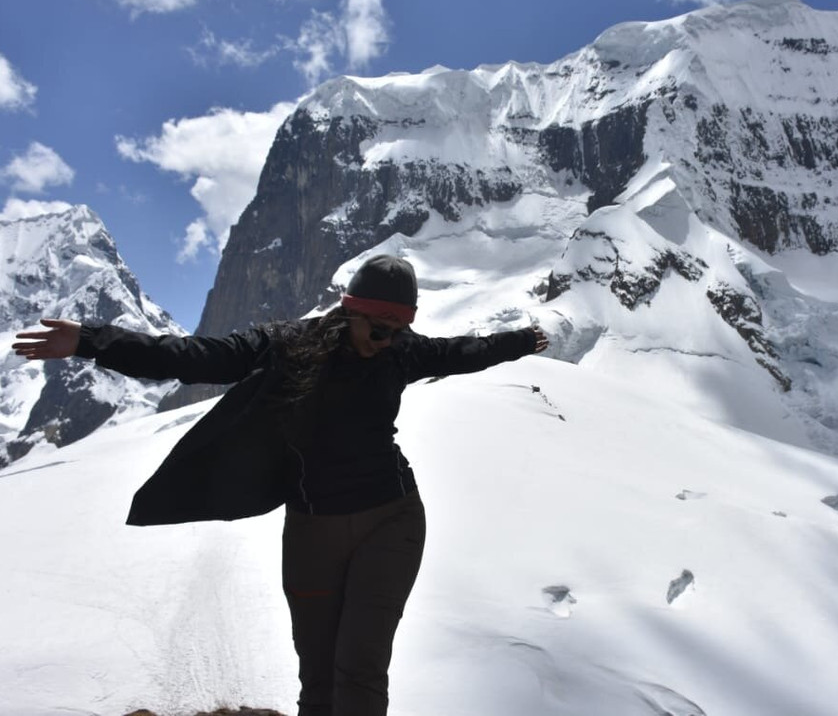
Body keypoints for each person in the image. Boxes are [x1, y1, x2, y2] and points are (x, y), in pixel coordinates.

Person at [13, 254, 549, 716]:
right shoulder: (288, 345)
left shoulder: (402, 349)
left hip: (392, 519)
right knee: (317, 677)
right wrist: (89, 341)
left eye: (399, 332)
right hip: (314, 530)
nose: (387, 345)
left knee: (359, 666)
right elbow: (191, 355)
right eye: (379, 331)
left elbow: (461, 353)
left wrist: (522, 340)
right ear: (348, 313)